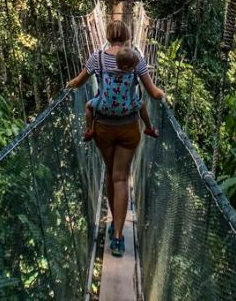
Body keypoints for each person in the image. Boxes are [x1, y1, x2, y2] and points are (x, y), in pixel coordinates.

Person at [67, 20, 164, 257]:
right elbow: (152, 92)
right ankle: (119, 237)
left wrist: (67, 85)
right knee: (121, 178)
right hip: (129, 127)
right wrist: (162, 94)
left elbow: (78, 82)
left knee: (111, 174)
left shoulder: (97, 58)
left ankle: (114, 225)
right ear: (128, 36)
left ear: (109, 36)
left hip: (103, 127)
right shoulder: (136, 60)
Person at [83, 46, 159, 142]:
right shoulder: (130, 75)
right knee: (142, 105)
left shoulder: (106, 71)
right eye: (133, 67)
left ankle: (89, 130)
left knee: (88, 106)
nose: (134, 69)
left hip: (104, 107)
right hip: (127, 108)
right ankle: (149, 128)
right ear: (127, 68)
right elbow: (153, 92)